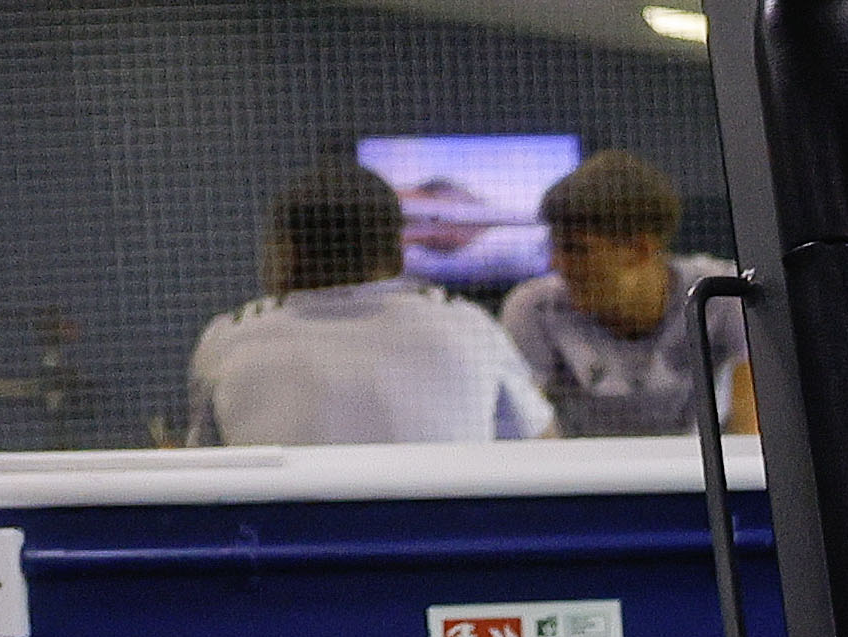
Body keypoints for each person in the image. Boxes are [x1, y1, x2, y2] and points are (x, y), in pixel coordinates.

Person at [182, 158, 555, 447]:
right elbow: (544, 449)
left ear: (286, 251)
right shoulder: (470, 327)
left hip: (288, 545)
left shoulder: (228, 341)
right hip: (445, 544)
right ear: (397, 251)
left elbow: (208, 475)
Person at [499, 149, 750, 438]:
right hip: (582, 477)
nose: (556, 264)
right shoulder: (533, 309)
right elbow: (529, 436)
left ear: (639, 249)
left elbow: (755, 431)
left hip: (699, 475)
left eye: (576, 250)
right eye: (554, 248)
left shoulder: (719, 294)